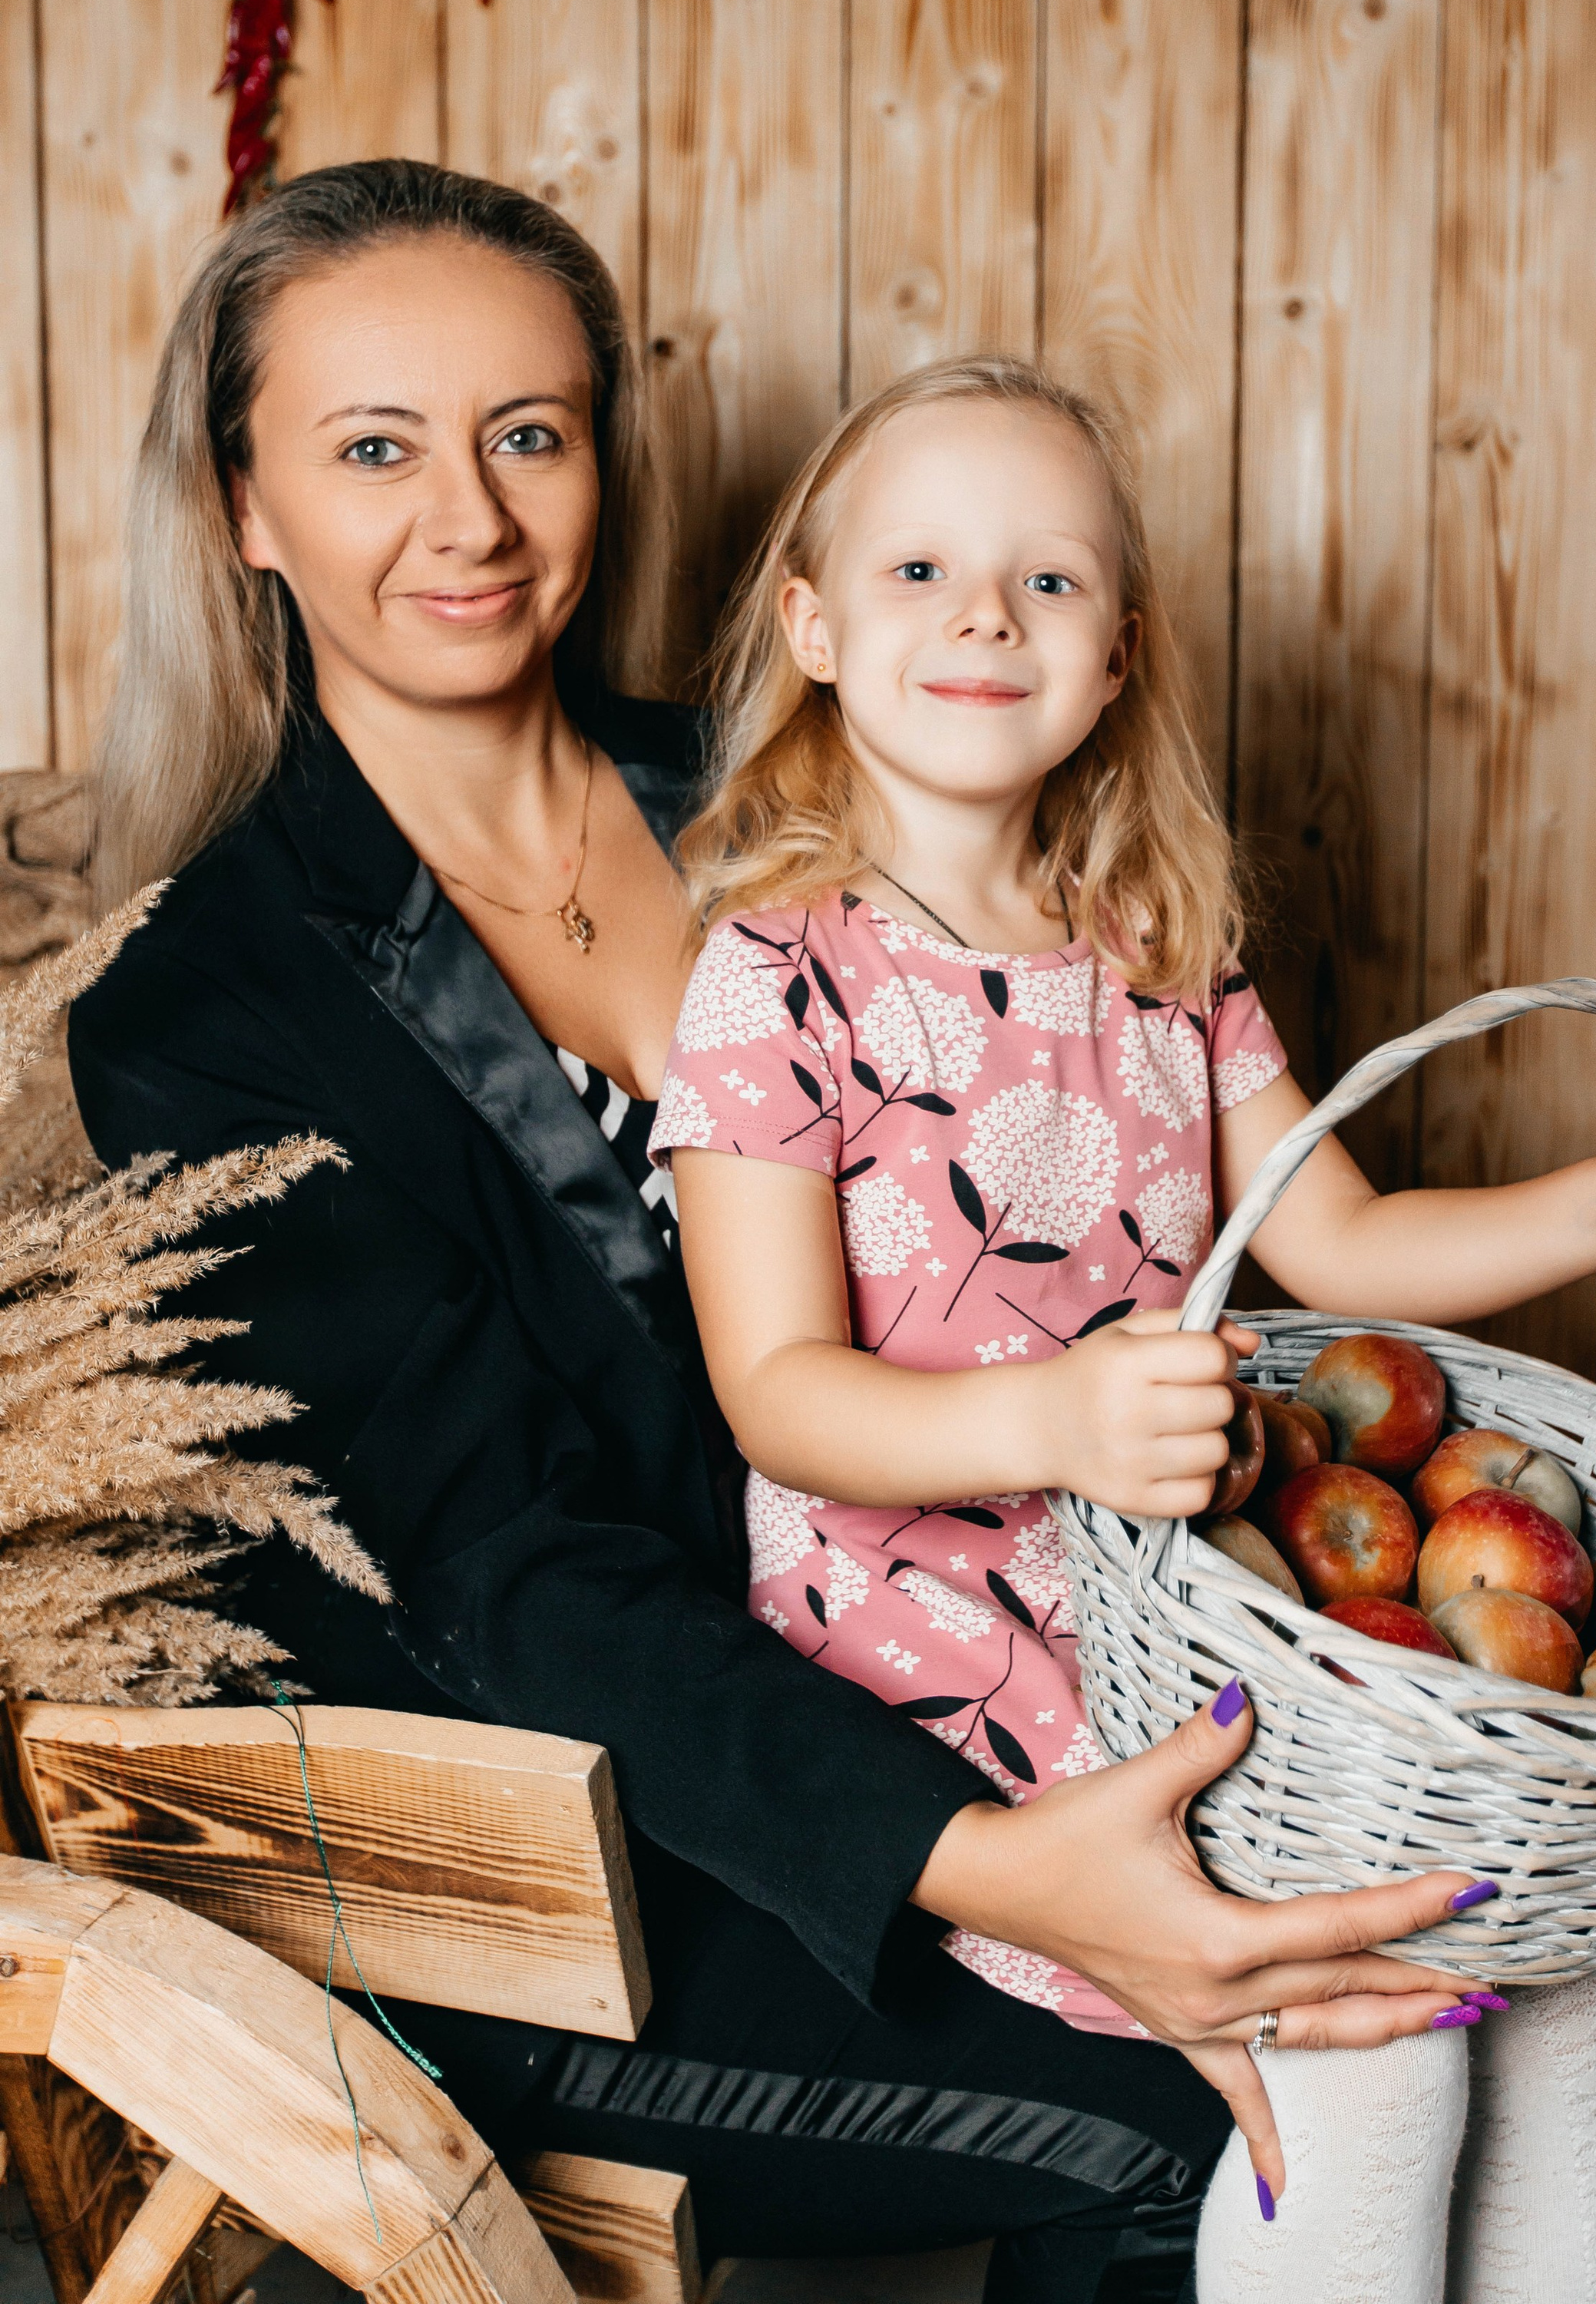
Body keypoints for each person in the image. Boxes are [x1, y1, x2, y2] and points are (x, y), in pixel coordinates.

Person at [71, 161, 1507, 2304]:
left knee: (1445, 1998)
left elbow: (1146, 1142)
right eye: (373, 449)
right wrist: (992, 1868)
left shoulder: (810, 786)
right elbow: (496, 1575)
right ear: (240, 508)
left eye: (528, 434)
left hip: (998, 1687)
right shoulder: (202, 1013)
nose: (469, 519)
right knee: (1210, 2116)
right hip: (584, 1867)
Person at [656, 358, 1596, 2304]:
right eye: (922, 569)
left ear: (1116, 652)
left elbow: (1343, 1240)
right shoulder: (777, 977)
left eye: (1047, 581)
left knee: (1557, 1972)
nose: (983, 617)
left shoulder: (1156, 952)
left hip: (1199, 1591)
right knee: (1369, 2034)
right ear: (812, 627)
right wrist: (1055, 1418)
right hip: (950, 1645)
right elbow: (775, 1396)